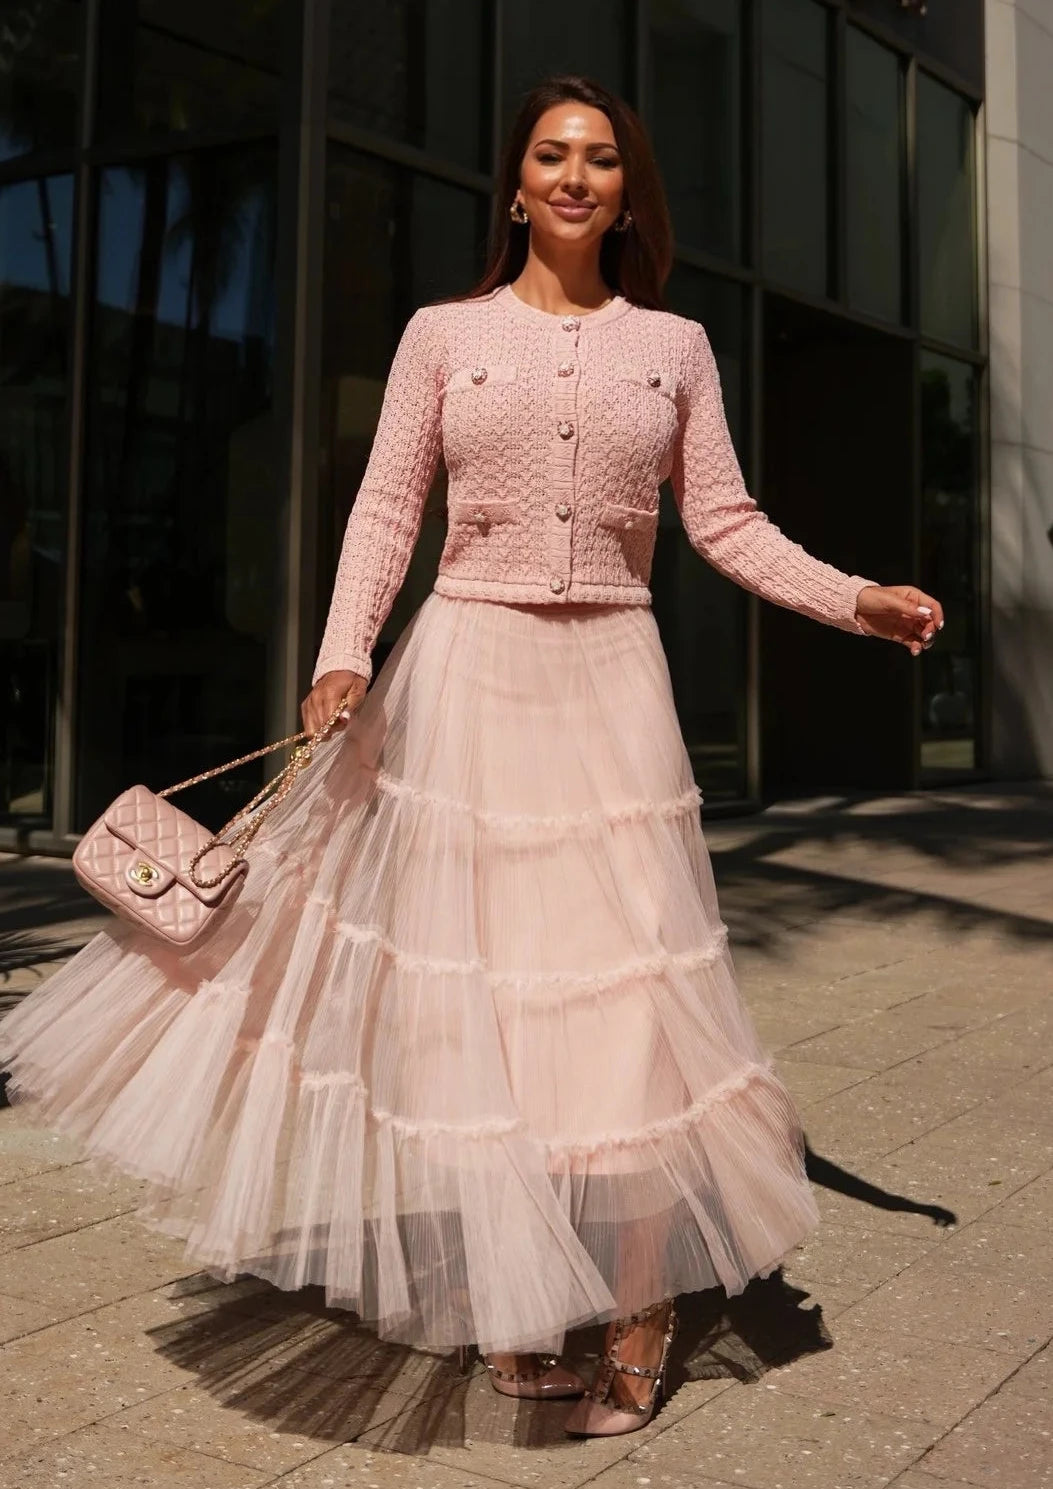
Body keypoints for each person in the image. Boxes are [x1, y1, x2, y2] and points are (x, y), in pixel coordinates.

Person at [0, 74, 942, 1441]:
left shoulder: (673, 345)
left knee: (620, 1003)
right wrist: (339, 655)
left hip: (610, 685)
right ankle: (508, 1301)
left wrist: (855, 595)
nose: (574, 176)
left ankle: (636, 1298)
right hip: (468, 679)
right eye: (550, 156)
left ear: (627, 194)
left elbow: (727, 523)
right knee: (485, 1002)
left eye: (601, 159)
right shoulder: (443, 334)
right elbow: (388, 507)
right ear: (513, 188)